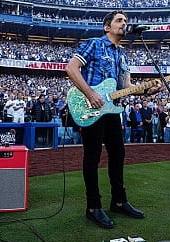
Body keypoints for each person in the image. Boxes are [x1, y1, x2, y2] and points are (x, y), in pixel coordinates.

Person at [65, 10, 161, 229]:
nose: (124, 23)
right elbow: (71, 68)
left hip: (113, 110)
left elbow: (125, 89)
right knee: (93, 156)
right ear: (107, 27)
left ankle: (119, 201)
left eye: (125, 21)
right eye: (119, 20)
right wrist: (90, 93)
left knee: (118, 155)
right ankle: (93, 207)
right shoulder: (94, 44)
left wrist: (147, 91)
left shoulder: (123, 54)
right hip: (92, 108)